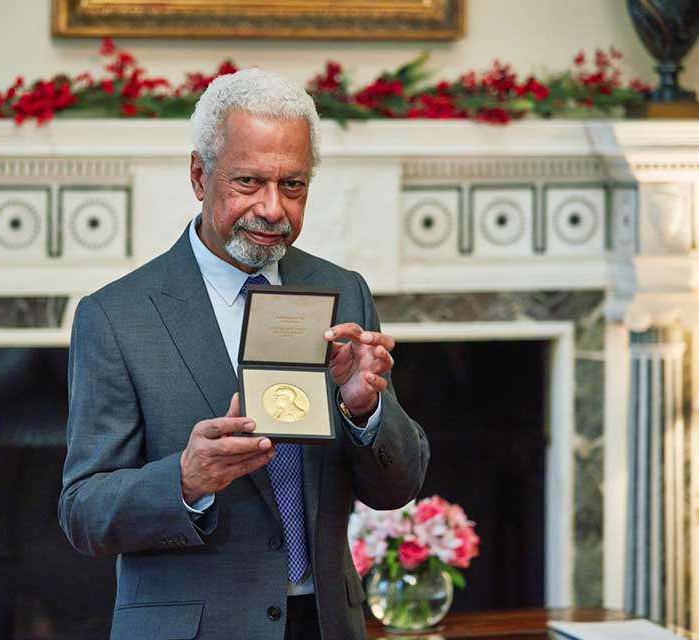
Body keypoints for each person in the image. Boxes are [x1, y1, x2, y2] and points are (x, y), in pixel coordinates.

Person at [59, 68, 429, 640]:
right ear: (199, 175)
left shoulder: (344, 292)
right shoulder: (115, 316)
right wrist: (184, 480)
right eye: (249, 182)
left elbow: (396, 487)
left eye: (293, 185)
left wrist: (364, 412)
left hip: (326, 624)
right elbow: (83, 512)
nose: (273, 209)